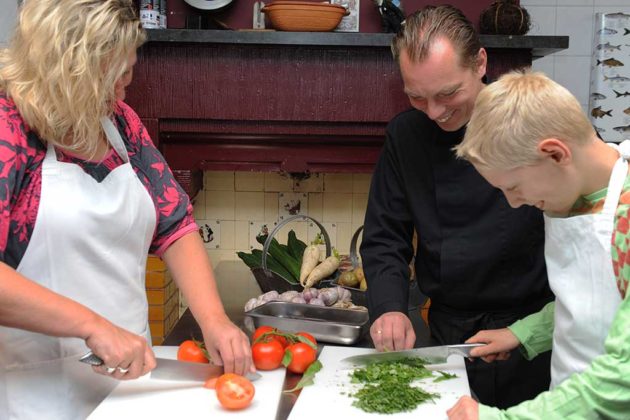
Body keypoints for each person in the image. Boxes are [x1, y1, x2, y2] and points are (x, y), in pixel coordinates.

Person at [0, 1, 252, 418]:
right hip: (39, 395)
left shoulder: (121, 123)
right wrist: (92, 325)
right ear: (67, 67)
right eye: (112, 77)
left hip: (131, 386)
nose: (123, 90)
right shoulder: (9, 130)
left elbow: (175, 224)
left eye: (128, 72)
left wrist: (213, 319)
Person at [360, 5, 554, 408]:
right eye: (417, 96)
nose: (435, 112)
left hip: (532, 339)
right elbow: (384, 236)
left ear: (480, 62)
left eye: (448, 93)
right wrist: (390, 308)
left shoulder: (534, 123)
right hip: (449, 337)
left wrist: (532, 332)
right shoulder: (406, 136)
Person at [447, 71, 630, 419]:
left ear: (555, 154)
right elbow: (596, 304)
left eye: (514, 186)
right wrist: (524, 333)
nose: (514, 203)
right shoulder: (575, 197)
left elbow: (623, 378)